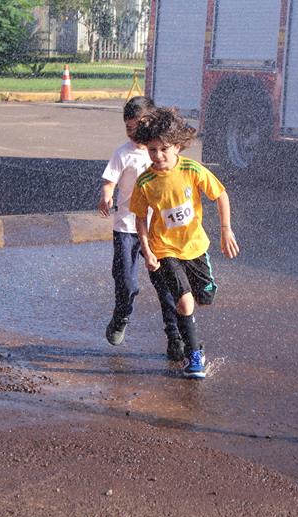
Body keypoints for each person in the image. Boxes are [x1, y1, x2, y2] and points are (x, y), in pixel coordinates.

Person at [129, 107, 239, 379]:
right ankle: (195, 355)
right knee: (184, 302)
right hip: (164, 248)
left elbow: (220, 195)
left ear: (178, 146)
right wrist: (147, 249)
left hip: (195, 246)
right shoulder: (146, 181)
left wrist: (226, 230)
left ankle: (203, 290)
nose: (158, 156)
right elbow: (140, 218)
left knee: (204, 296)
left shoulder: (191, 169)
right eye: (152, 150)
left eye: (164, 149)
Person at [99, 96, 183, 360]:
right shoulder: (123, 153)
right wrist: (106, 194)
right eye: (129, 128)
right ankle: (122, 315)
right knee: (127, 282)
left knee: (167, 289)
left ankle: (174, 336)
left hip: (158, 232)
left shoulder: (160, 153)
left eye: (139, 126)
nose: (134, 132)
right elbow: (109, 180)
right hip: (126, 228)